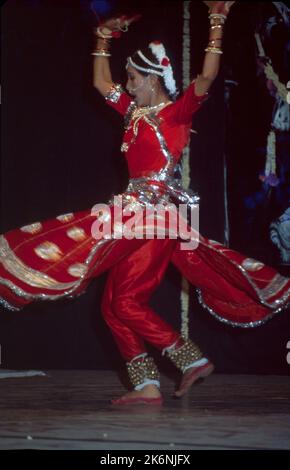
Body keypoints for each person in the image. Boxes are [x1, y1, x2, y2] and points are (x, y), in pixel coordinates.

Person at [0, 2, 289, 405]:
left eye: (133, 78)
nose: (128, 85)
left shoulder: (176, 114)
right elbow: (101, 85)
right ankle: (147, 386)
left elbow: (207, 75)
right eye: (128, 79)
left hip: (154, 218)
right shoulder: (134, 113)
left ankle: (190, 358)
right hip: (135, 214)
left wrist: (218, 20)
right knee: (114, 306)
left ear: (153, 78)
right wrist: (102, 39)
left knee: (115, 290)